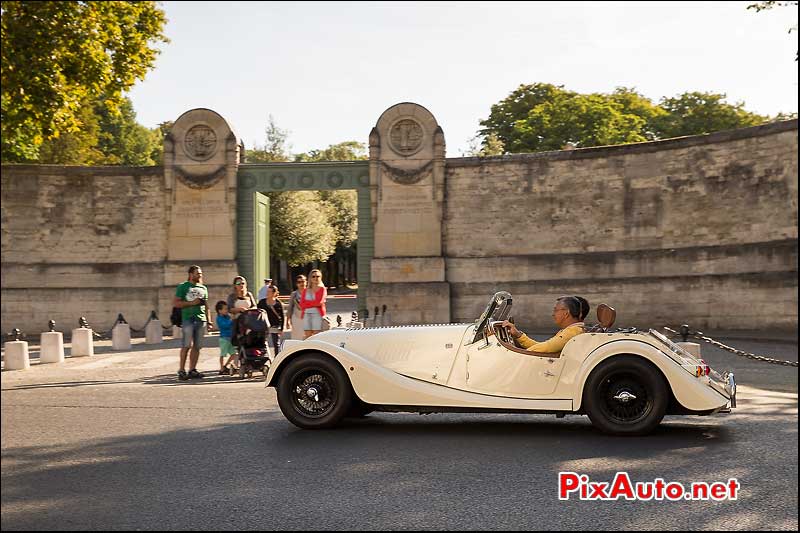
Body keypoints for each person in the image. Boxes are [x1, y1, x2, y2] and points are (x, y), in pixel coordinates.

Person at [499, 296, 588, 354]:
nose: (553, 314)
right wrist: (518, 335)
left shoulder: (572, 332)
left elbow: (546, 348)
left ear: (566, 313)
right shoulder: (573, 330)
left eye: (556, 310)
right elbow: (542, 346)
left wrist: (514, 352)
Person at [173, 265, 211, 381]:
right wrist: (192, 303)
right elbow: (176, 303)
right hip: (188, 318)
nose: (200, 275)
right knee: (186, 345)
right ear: (191, 274)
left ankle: (192, 369)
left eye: (200, 273)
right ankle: (181, 370)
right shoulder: (183, 287)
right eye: (197, 273)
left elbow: (206, 306)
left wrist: (209, 320)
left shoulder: (203, 288)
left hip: (200, 319)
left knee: (197, 346)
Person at [299, 269, 327, 339]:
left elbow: (319, 302)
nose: (315, 278)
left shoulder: (322, 289)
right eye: (313, 276)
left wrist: (307, 303)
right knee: (307, 336)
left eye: (318, 276)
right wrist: (313, 303)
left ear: (320, 277)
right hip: (306, 314)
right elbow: (302, 304)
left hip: (317, 314)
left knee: (317, 336)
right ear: (310, 278)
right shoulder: (306, 290)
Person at [258, 285, 284, 356]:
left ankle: (277, 358)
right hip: (264, 326)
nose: (267, 293)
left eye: (269, 292)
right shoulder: (262, 302)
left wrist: (281, 328)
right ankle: (264, 357)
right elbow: (258, 312)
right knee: (262, 342)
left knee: (276, 343)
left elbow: (282, 316)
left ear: (274, 293)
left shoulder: (278, 303)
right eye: (267, 291)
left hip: (275, 325)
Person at [215, 301, 237, 375]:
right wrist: (231, 321)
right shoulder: (219, 318)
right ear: (220, 311)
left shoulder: (227, 317)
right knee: (223, 354)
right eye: (225, 309)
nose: (227, 311)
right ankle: (221, 368)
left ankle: (225, 366)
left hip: (230, 337)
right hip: (224, 338)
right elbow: (224, 325)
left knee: (234, 353)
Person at [286, 274, 307, 340]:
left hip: (308, 318)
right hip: (296, 319)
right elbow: (290, 308)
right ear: (296, 284)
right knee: (297, 338)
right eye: (299, 282)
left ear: (306, 282)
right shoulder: (294, 294)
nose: (301, 284)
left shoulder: (310, 293)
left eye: (303, 281)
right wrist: (287, 321)